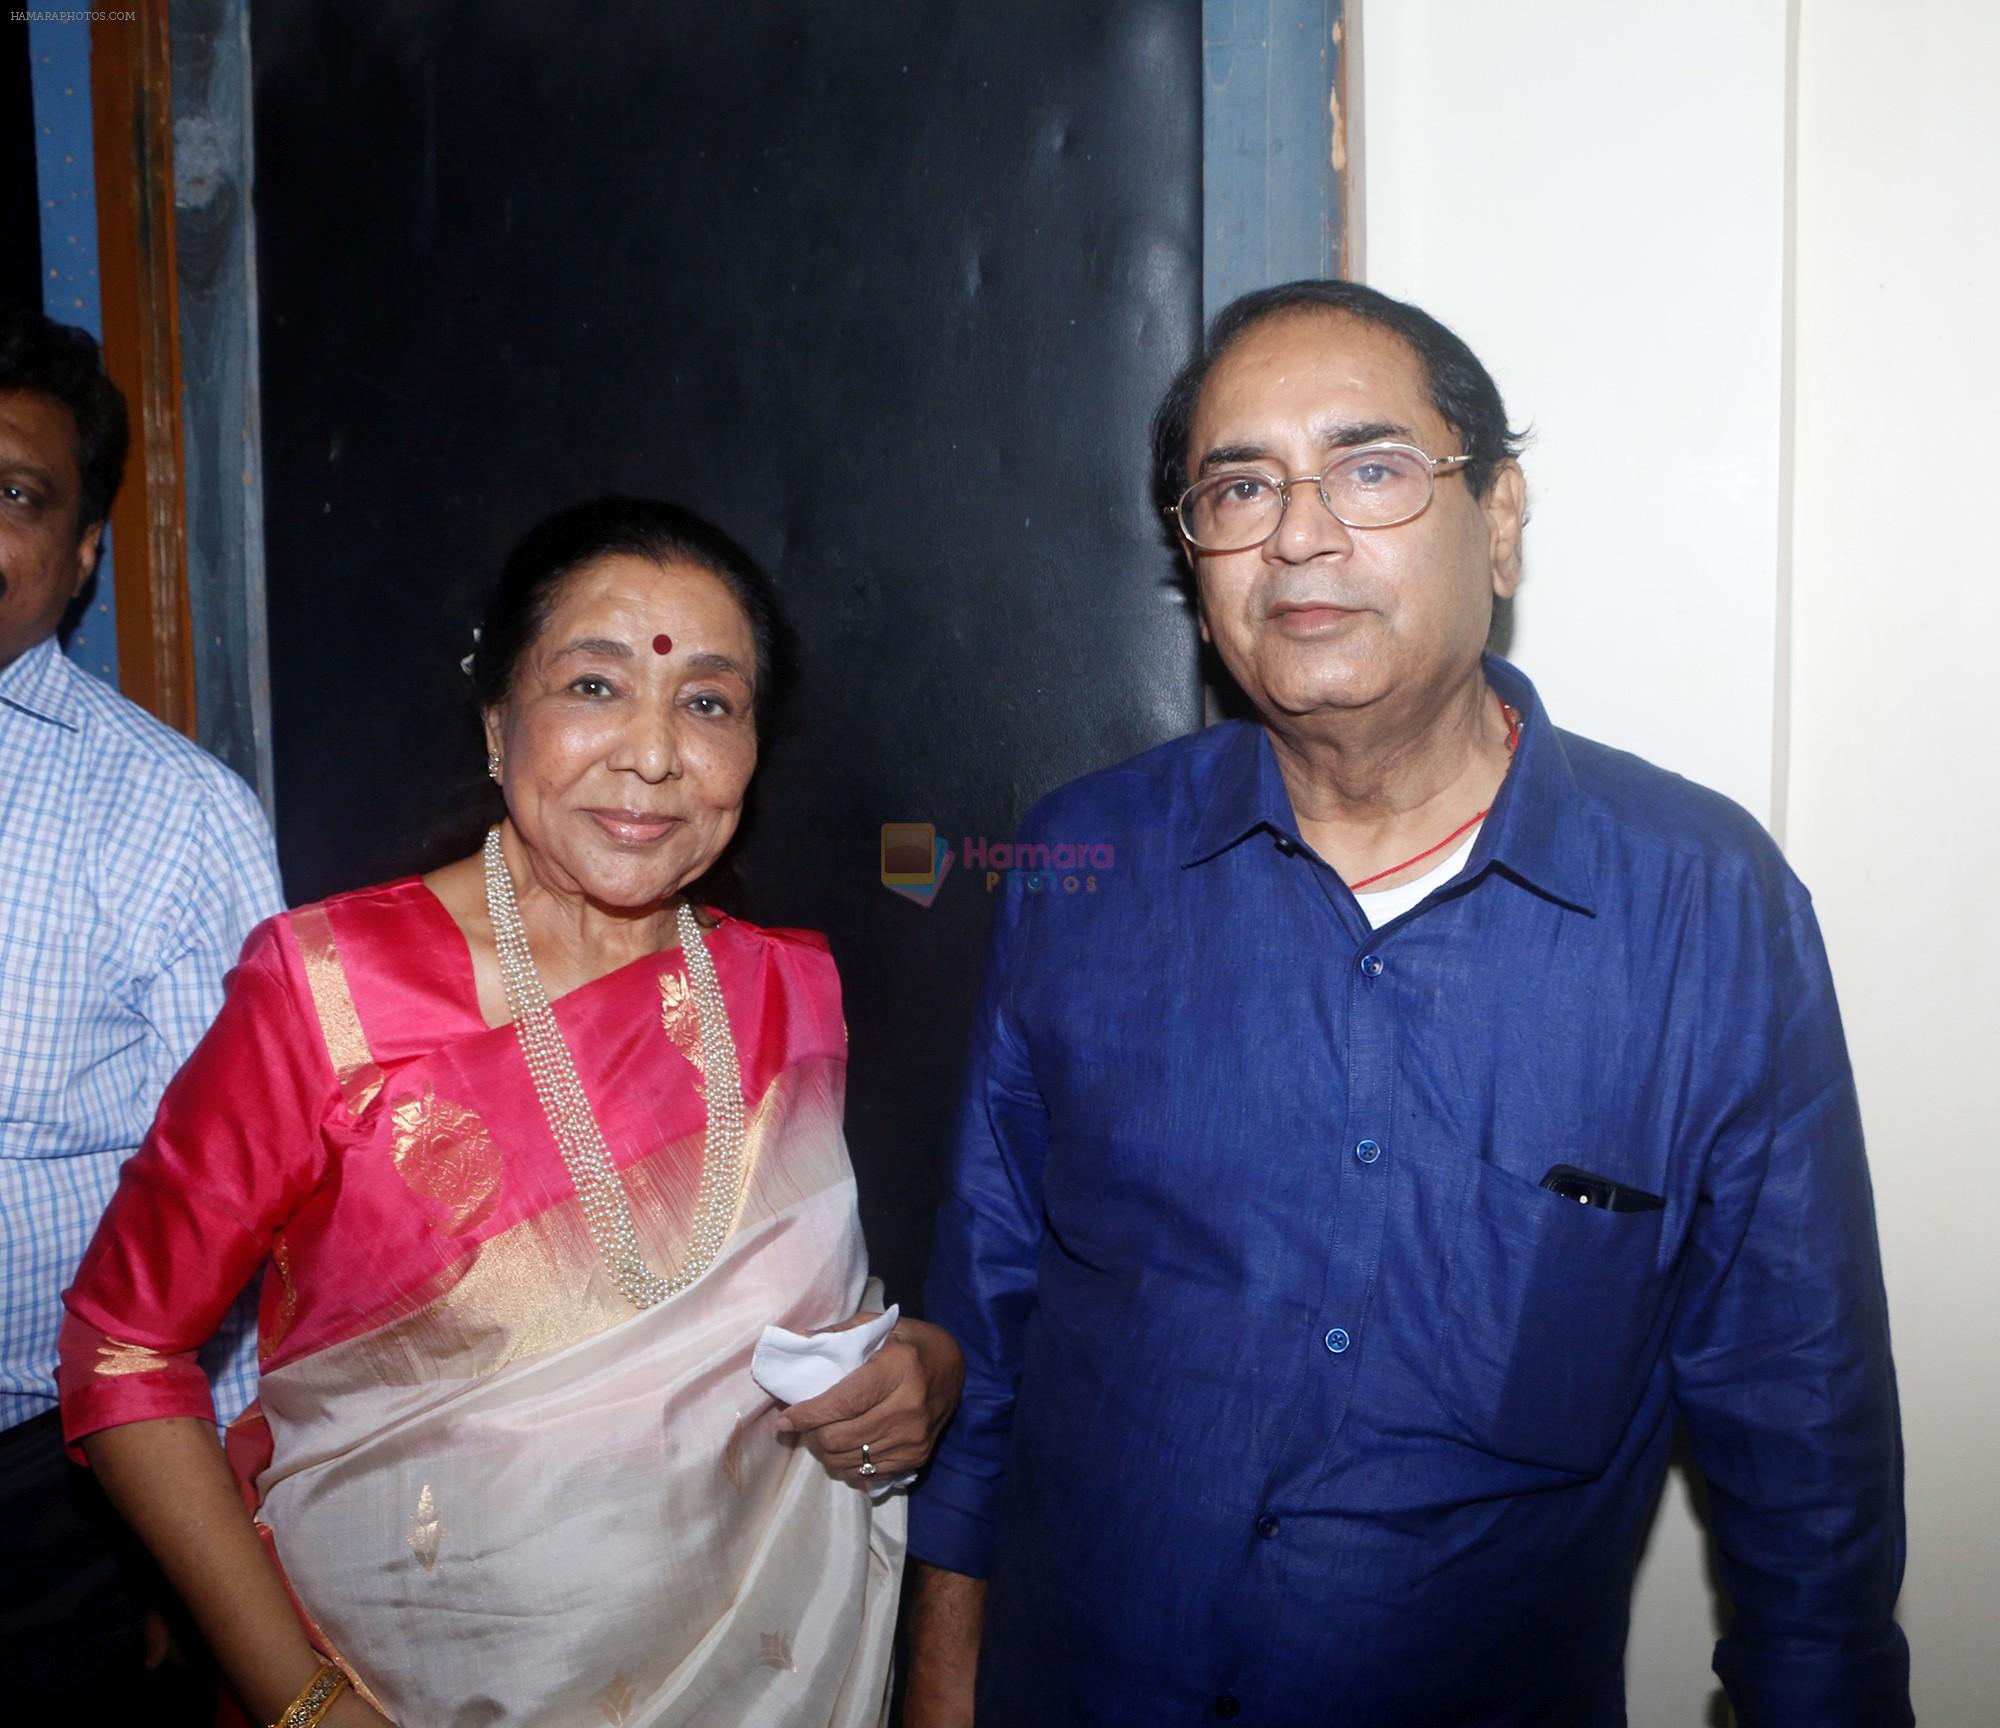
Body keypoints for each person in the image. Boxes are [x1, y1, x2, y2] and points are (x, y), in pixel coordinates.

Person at [903, 280, 1909, 1727]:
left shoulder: (1703, 910)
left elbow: (1803, 1452)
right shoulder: (1076, 866)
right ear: (1196, 559)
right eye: (1240, 486)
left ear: (1498, 520)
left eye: (1371, 469)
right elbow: (983, 1341)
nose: (1301, 534)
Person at [59, 496, 964, 1727]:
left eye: (707, 701)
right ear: (498, 726)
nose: (652, 753)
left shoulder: (787, 992)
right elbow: (124, 1350)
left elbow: (816, 1337)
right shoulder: (324, 992)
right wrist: (307, 1705)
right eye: (595, 686)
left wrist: (925, 1372)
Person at [0, 306, 280, 1714]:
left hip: (52, 1505)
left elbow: (245, 1222)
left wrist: (204, 1555)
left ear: (82, 552)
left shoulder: (172, 821)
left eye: (16, 493)